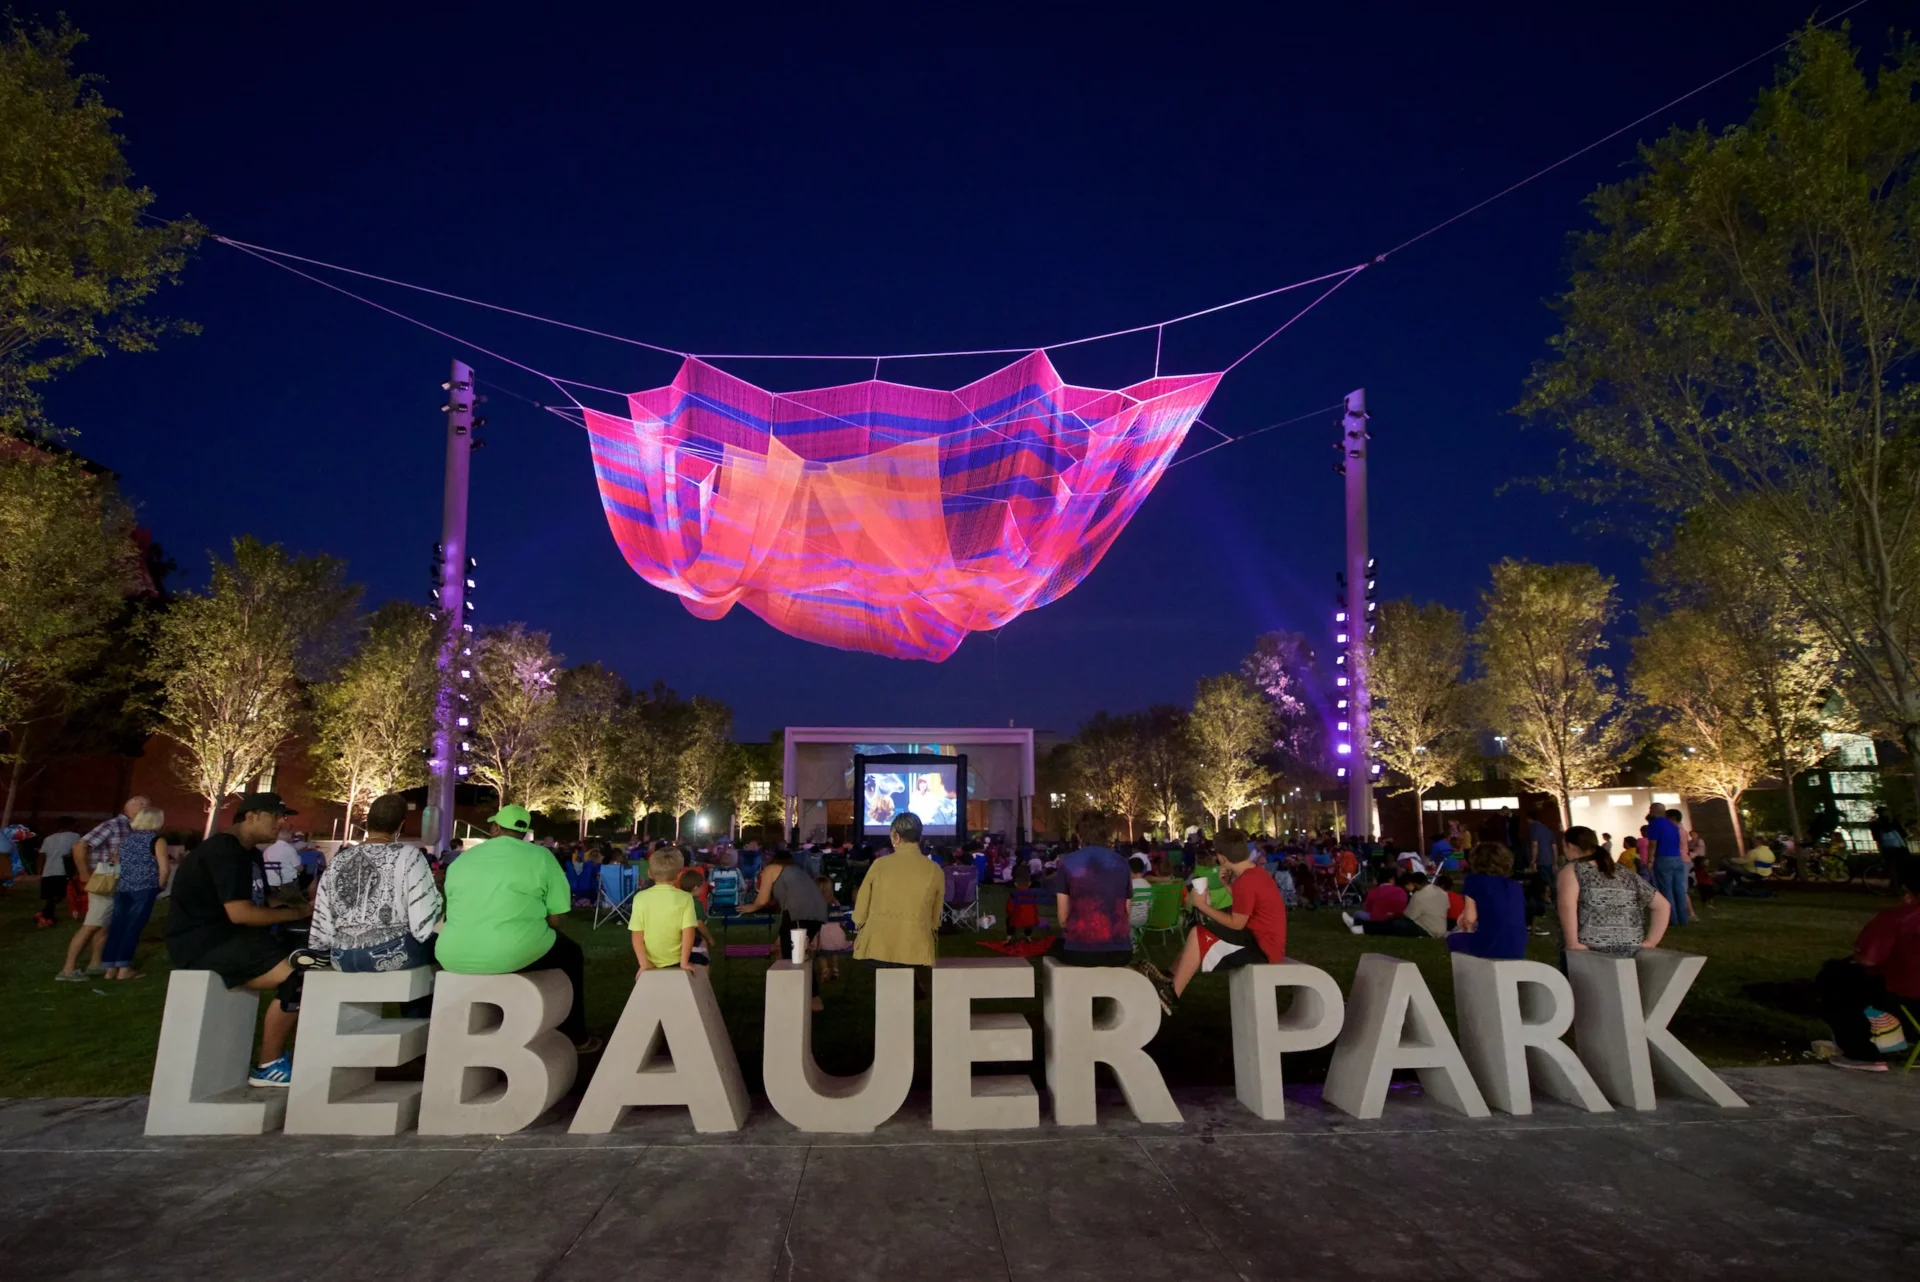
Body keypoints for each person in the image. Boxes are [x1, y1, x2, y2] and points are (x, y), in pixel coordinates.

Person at [164, 793, 313, 1086]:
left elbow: (261, 901)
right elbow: (241, 912)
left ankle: (297, 1053)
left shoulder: (249, 853)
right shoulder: (223, 852)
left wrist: (302, 908)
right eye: (275, 816)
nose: (282, 823)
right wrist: (295, 912)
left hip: (235, 937)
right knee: (299, 976)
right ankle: (269, 1064)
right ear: (250, 816)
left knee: (313, 959)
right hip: (206, 942)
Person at [436, 805, 599, 1054]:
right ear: (523, 833)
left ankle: (440, 1037)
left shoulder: (464, 858)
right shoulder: (541, 857)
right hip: (513, 950)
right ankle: (576, 1036)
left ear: (495, 828)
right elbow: (557, 916)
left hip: (452, 952)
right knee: (571, 954)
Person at [1146, 833, 1285, 1011]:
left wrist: (1202, 905)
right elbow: (1247, 906)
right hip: (1265, 941)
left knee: (1198, 934)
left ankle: (1172, 993)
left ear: (1221, 858)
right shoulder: (1255, 873)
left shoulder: (1246, 881)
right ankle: (1170, 976)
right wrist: (1227, 886)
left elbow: (1236, 923)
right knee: (1201, 931)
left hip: (1262, 948)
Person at [307, 793, 442, 972]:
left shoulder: (339, 859)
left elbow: (321, 924)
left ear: (368, 823)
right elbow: (423, 924)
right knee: (444, 949)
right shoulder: (409, 855)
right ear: (400, 825)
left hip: (341, 957)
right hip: (392, 953)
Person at [1813, 863, 1920, 1070]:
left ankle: (1862, 1052)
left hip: (1910, 998)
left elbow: (1868, 959)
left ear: (1908, 894)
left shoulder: (1899, 917)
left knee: (1837, 979)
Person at [56, 796, 150, 981]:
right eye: (145, 806)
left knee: (103, 925)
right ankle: (68, 970)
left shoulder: (132, 828)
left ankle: (95, 963)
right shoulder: (114, 825)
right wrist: (84, 873)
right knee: (92, 924)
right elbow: (80, 845)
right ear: (133, 808)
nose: (148, 810)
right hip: (105, 879)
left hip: (117, 881)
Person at [738, 847, 834, 1008]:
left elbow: (762, 900)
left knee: (792, 957)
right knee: (798, 953)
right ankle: (809, 997)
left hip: (798, 913)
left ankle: (806, 998)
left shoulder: (770, 869)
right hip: (817, 912)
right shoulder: (797, 871)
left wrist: (751, 907)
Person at [1557, 825, 1669, 958]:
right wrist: (1651, 941)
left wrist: (1572, 943)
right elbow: (1663, 906)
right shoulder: (1623, 871)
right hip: (1631, 946)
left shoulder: (1572, 870)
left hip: (1591, 949)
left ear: (1569, 845)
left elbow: (1567, 906)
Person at [853, 812, 943, 970]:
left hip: (878, 943)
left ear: (896, 836)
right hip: (916, 944)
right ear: (919, 838)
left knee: (887, 988)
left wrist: (858, 923)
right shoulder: (934, 870)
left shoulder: (879, 865)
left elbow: (862, 905)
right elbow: (936, 916)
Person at [1051, 817, 1133, 966]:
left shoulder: (1067, 863)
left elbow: (1062, 918)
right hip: (1120, 952)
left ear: (1079, 835)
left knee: (1054, 945)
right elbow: (1126, 912)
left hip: (1079, 951)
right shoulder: (1122, 862)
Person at [101, 807, 170, 979]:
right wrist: (159, 887)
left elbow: (117, 860)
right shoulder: (157, 840)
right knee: (134, 926)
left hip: (123, 887)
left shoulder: (127, 839)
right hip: (144, 888)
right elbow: (164, 869)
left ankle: (110, 968)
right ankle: (124, 968)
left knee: (118, 926)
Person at [1447, 842, 1528, 960]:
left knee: (1452, 939)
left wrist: (1463, 920)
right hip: (1518, 947)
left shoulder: (1474, 880)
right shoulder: (1514, 885)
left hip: (1491, 946)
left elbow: (1470, 919)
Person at [630, 845, 699, 974]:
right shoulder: (685, 898)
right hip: (676, 960)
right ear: (679, 875)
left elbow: (637, 934)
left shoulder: (640, 898)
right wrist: (684, 962)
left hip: (650, 960)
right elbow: (688, 932)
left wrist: (644, 963)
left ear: (649, 873)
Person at [1646, 807, 1690, 926]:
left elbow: (1652, 844)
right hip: (1677, 858)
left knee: (1666, 889)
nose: (1649, 810)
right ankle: (1683, 918)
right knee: (1679, 889)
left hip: (1663, 858)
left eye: (1651, 809)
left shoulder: (1654, 824)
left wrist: (1650, 860)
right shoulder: (1673, 825)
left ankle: (1672, 919)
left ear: (1655, 811)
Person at [35, 818, 80, 928]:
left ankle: (48, 916)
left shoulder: (48, 838)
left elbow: (41, 855)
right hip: (62, 870)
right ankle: (44, 915)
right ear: (71, 825)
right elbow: (77, 852)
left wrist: (39, 871)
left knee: (51, 896)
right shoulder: (75, 836)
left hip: (48, 871)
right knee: (60, 894)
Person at [1341, 872, 1419, 936]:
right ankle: (1356, 924)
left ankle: (1355, 922)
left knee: (1359, 913)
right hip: (1397, 918)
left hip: (1379, 917)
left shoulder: (1374, 891)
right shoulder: (1402, 892)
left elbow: (1367, 909)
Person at [1404, 872, 1451, 938]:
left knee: (1395, 925)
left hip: (1426, 929)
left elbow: (1409, 916)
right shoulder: (1443, 892)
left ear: (1414, 883)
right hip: (1442, 929)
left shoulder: (1418, 895)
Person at [259, 824, 303, 894]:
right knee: (310, 878)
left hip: (270, 883)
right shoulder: (289, 849)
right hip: (287, 884)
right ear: (288, 837)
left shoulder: (267, 849)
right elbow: (299, 868)